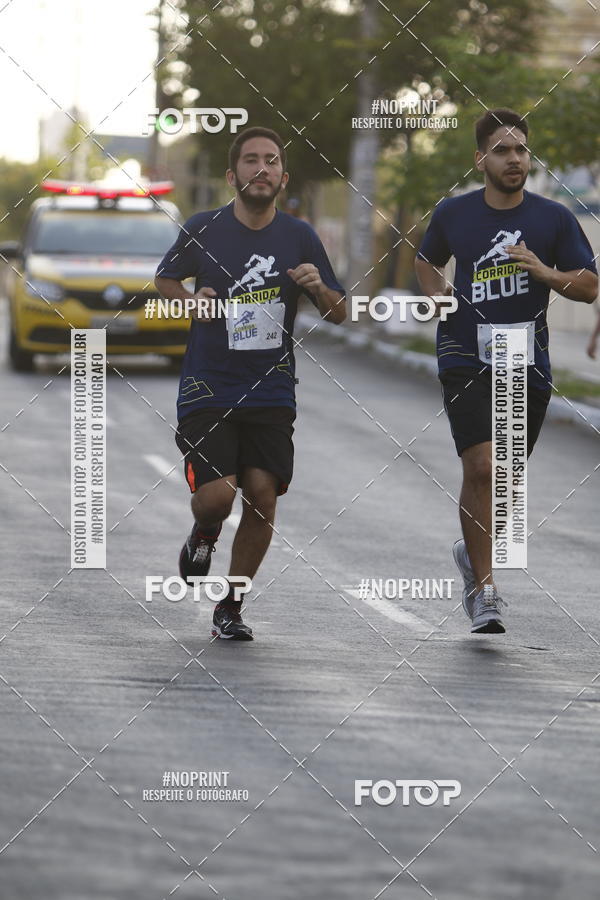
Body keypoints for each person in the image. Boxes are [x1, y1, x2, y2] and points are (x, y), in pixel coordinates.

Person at [155, 127, 346, 641]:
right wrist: (190, 301)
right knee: (218, 498)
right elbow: (165, 279)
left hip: (271, 388)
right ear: (232, 174)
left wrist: (318, 288)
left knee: (262, 495)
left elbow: (339, 312)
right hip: (209, 386)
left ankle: (231, 605)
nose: (262, 168)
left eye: (272, 161)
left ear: (283, 177)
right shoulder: (204, 227)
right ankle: (205, 531)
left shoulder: (300, 237)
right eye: (251, 160)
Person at [415, 108, 598, 634]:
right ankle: (484, 590)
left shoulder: (553, 218)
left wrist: (544, 271)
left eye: (521, 149)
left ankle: (470, 552)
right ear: (480, 160)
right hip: (464, 353)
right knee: (482, 468)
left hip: (525, 359)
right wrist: (437, 294)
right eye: (502, 150)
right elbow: (427, 261)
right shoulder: (454, 213)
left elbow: (589, 286)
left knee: (506, 481)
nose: (514, 158)